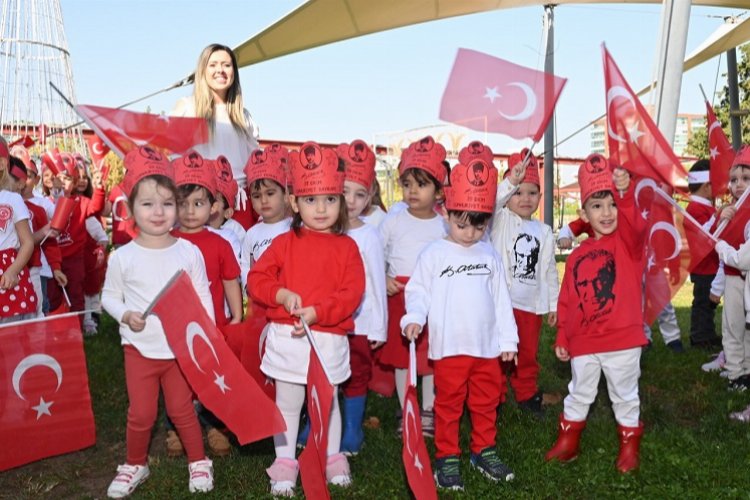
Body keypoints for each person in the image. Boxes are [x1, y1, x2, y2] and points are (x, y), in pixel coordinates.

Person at [248, 142, 365, 497]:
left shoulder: (348, 248)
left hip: (328, 339)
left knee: (327, 403)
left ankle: (332, 456)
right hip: (288, 338)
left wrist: (318, 312)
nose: (321, 208)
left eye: (330, 199)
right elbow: (257, 279)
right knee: (288, 401)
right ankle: (285, 461)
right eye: (311, 200)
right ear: (295, 203)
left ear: (341, 202)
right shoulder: (284, 243)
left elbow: (351, 293)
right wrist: (281, 295)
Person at [101, 146, 214, 498]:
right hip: (139, 350)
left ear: (177, 208)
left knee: (182, 409)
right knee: (141, 413)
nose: (158, 211)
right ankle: (136, 462)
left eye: (167, 203)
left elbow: (202, 296)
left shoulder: (188, 252)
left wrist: (208, 335)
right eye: (148, 204)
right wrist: (125, 315)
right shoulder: (123, 257)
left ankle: (198, 461)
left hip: (179, 352)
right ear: (131, 208)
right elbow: (108, 297)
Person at [402, 158, 518, 491]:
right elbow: (419, 290)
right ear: (448, 215)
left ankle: (483, 449)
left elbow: (500, 301)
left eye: (478, 227)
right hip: (450, 347)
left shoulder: (488, 255)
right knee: (449, 404)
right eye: (462, 224)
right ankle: (447, 456)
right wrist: (413, 318)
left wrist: (508, 342)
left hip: (486, 349)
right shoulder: (435, 253)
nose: (470, 234)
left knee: (486, 401)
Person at [545, 156, 648, 473]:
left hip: (623, 341)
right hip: (586, 342)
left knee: (624, 395)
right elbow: (569, 301)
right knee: (579, 392)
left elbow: (635, 224)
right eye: (597, 206)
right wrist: (564, 335)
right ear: (584, 214)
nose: (606, 213)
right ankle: (568, 443)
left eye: (612, 205)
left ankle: (629, 447)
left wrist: (626, 194)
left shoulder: (629, 246)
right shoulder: (577, 255)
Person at [169, 150, 242, 458]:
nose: (189, 211)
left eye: (197, 203)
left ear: (213, 207)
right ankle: (176, 428)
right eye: (182, 203)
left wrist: (236, 315)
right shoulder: (165, 240)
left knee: (212, 378)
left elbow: (229, 280)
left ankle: (215, 425)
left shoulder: (220, 243)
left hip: (212, 327)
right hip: (173, 329)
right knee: (176, 380)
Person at [378, 136, 447, 437]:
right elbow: (375, 254)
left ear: (439, 191)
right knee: (400, 356)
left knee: (430, 355)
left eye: (421, 184)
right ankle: (406, 406)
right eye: (407, 184)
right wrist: (383, 279)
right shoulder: (393, 221)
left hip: (432, 299)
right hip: (399, 296)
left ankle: (429, 409)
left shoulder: (444, 225)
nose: (413, 190)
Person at [489, 146, 558, 418]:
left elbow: (550, 271)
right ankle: (494, 394)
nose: (525, 198)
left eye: (532, 192)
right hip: (501, 305)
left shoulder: (544, 231)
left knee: (527, 354)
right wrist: (511, 182)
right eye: (518, 192)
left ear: (541, 196)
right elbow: (493, 201)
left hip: (530, 307)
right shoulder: (501, 220)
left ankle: (527, 393)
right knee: (498, 353)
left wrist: (553, 304)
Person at [172, 43, 260, 229]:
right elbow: (175, 159)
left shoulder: (244, 116)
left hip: (239, 204)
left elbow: (254, 165)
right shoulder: (187, 107)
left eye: (226, 65)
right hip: (201, 199)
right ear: (203, 70)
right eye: (213, 65)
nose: (220, 70)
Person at [337, 140, 387, 456]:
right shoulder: (324, 229)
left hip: (361, 322)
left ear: (369, 197)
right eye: (344, 192)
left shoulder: (369, 234)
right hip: (328, 322)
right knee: (327, 372)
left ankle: (353, 428)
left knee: (356, 373)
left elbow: (377, 282)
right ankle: (318, 423)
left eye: (359, 194)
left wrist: (379, 327)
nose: (351, 201)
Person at [46, 153, 105, 322]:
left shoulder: (81, 201)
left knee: (76, 295)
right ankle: (57, 330)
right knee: (53, 297)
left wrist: (99, 188)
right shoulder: (47, 201)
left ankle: (77, 331)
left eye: (68, 179)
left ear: (75, 182)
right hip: (53, 259)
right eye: (60, 178)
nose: (64, 183)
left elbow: (96, 206)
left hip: (74, 259)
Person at [711, 146, 750, 391]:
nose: (738, 185)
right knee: (733, 326)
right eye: (734, 180)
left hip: (745, 276)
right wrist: (720, 217)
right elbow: (713, 237)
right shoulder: (729, 210)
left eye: (746, 179)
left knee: (745, 329)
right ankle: (736, 372)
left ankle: (744, 371)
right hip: (734, 278)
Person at [685, 159, 722, 349]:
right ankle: (699, 336)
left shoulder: (704, 207)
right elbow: (703, 236)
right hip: (703, 265)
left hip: (710, 264)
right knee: (703, 303)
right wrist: (718, 218)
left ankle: (707, 333)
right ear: (707, 186)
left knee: (709, 304)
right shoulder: (695, 209)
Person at [0, 155, 39, 322]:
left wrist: (12, 271)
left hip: (7, 272)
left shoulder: (11, 199)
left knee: (11, 336)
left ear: (2, 164)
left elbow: (27, 242)